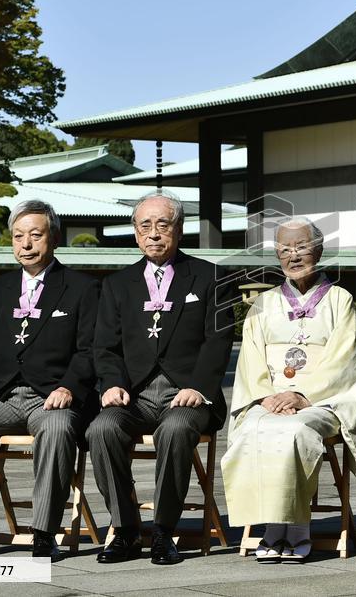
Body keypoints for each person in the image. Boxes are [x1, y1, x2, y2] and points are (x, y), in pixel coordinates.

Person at [0, 200, 99, 561]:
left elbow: (89, 349)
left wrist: (69, 388)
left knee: (58, 429)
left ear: (54, 238)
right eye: (18, 236)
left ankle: (44, 532)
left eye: (35, 235)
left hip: (52, 398)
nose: (26, 244)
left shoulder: (82, 288)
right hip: (2, 397)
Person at [88, 191, 235, 565]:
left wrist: (198, 387)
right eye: (145, 226)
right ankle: (124, 529)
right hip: (133, 395)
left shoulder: (210, 277)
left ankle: (164, 531)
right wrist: (112, 383)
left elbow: (218, 342)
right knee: (100, 430)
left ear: (179, 230)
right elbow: (104, 346)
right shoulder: (117, 284)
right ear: (135, 233)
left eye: (163, 225)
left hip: (187, 394)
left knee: (175, 429)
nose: (154, 234)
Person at [222, 216, 356, 562]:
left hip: (320, 401)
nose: (293, 254)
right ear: (276, 254)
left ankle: (298, 527)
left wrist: (302, 396)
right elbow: (251, 357)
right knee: (252, 428)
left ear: (319, 249)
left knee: (294, 431)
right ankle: (272, 528)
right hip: (270, 399)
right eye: (285, 248)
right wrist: (266, 396)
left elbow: (344, 359)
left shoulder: (339, 299)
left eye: (301, 246)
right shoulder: (264, 302)